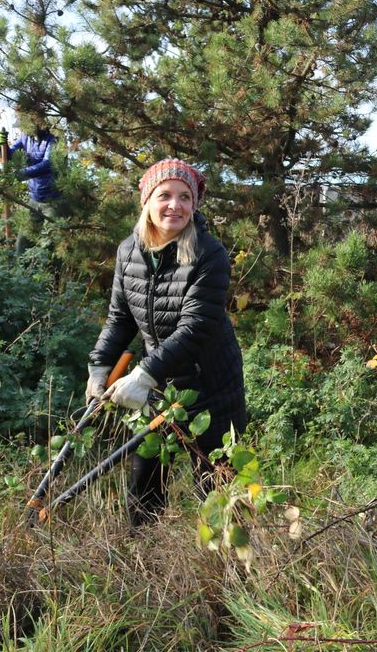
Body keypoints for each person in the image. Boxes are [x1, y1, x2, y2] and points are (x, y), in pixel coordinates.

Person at [87, 158, 248, 526]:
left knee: (219, 497)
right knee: (144, 492)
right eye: (165, 195)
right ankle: (146, 561)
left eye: (185, 197)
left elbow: (195, 327)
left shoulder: (209, 254)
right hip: (159, 390)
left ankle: (227, 575)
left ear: (194, 205)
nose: (175, 205)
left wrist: (144, 375)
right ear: (147, 201)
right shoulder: (129, 251)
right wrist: (99, 366)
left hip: (212, 390)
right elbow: (120, 319)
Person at [0, 122, 67, 254]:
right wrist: (3, 145)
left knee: (51, 245)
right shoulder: (25, 138)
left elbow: (48, 163)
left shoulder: (53, 139)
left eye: (26, 125)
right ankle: (22, 273)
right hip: (34, 199)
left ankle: (54, 274)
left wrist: (21, 174)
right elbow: (10, 156)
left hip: (53, 201)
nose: (23, 129)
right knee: (22, 245)